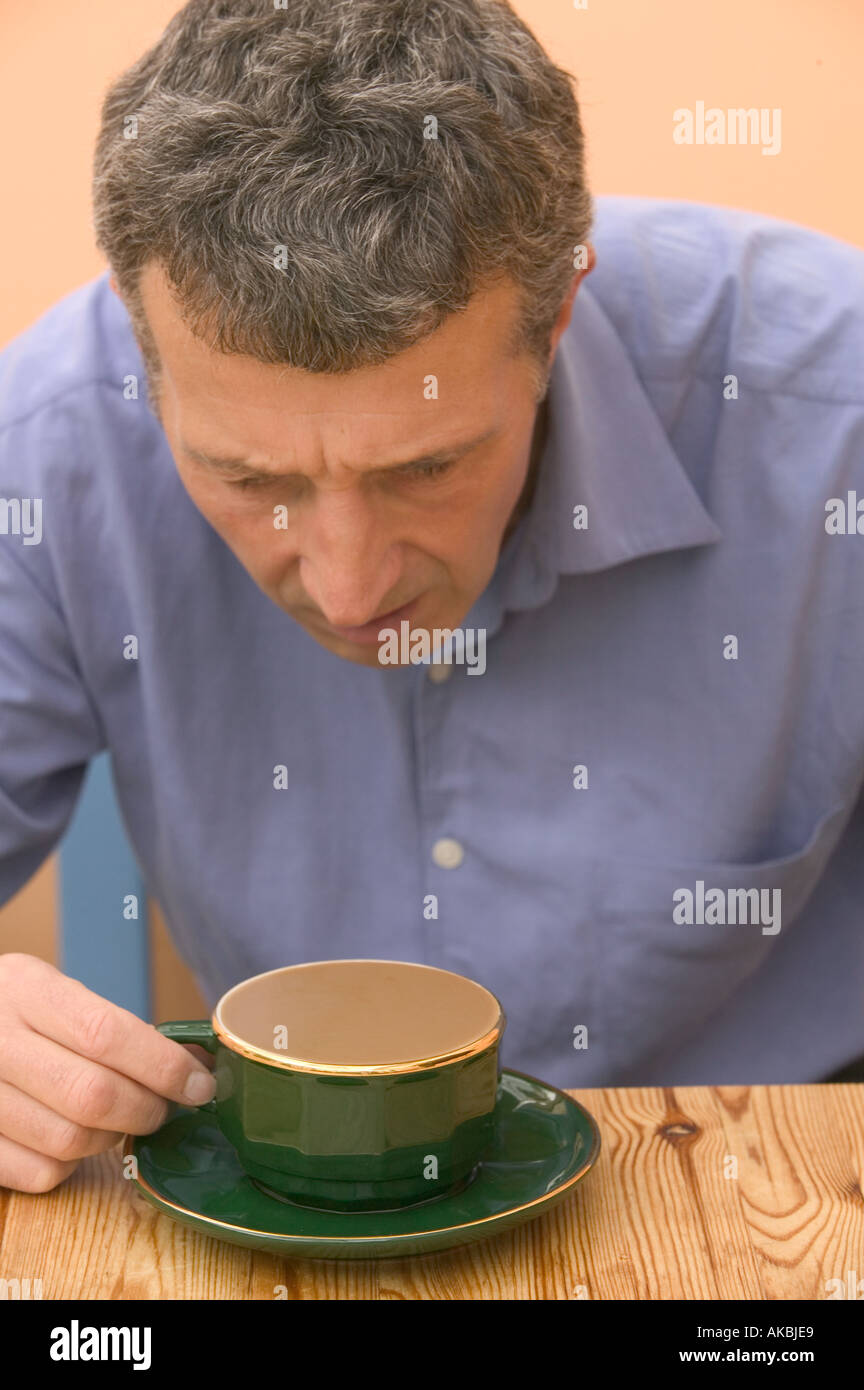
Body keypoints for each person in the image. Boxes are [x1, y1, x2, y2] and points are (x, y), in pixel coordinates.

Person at [1, 0, 862, 1195]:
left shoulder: (839, 419)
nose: (351, 587)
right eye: (251, 478)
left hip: (784, 1191)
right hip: (300, 1208)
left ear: (557, 312)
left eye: (426, 466)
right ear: (145, 356)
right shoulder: (44, 450)